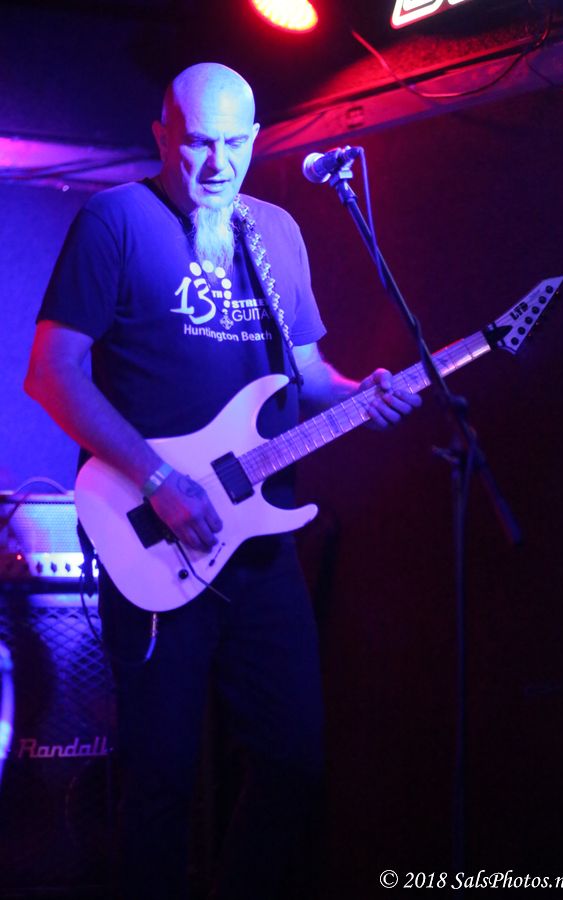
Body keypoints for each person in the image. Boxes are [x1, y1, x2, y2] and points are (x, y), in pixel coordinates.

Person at [25, 63, 421, 900]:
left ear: (256, 138)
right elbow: (52, 374)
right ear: (161, 134)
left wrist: (366, 392)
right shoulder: (116, 220)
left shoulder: (274, 231)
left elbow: (306, 376)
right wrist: (158, 477)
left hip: (258, 545)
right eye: (199, 144)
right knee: (161, 779)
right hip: (151, 532)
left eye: (235, 144)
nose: (218, 164)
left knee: (294, 763)